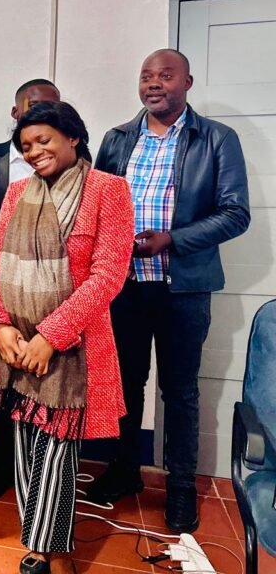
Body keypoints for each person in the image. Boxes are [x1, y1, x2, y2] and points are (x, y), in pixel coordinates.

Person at [87, 48, 250, 532]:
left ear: (187, 82)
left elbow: (235, 213)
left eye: (165, 75)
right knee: (125, 384)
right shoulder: (118, 138)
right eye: (146, 76)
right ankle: (124, 471)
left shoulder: (216, 139)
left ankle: (180, 489)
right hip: (125, 287)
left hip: (184, 289)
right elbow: (97, 206)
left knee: (179, 391)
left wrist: (171, 240)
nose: (154, 83)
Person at [0, 101, 134, 573]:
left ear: (73, 137)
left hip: (73, 350)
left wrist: (52, 336)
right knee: (26, 447)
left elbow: (108, 276)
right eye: (26, 145)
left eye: (43, 140)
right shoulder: (17, 193)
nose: (34, 152)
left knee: (58, 453)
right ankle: (41, 544)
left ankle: (54, 551)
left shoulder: (108, 190)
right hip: (15, 348)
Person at [0, 78, 60, 501]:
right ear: (15, 112)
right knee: (0, 384)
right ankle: (1, 462)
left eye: (50, 106)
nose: (40, 113)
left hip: (55, 297)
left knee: (47, 382)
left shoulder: (72, 165)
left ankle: (44, 473)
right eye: (32, 105)